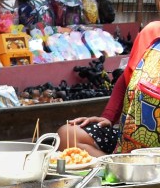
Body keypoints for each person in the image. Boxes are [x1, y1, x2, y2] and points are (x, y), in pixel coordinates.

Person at [60, 20, 160, 156]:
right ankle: (117, 164)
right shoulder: (152, 32)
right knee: (67, 135)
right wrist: (108, 117)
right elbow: (127, 77)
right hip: (127, 142)